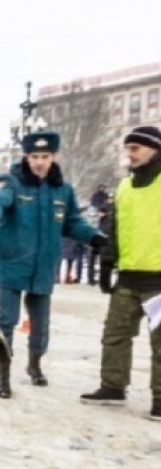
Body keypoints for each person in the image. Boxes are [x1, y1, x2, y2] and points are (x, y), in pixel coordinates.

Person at [0, 130, 103, 398]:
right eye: (34, 156)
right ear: (26, 156)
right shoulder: (11, 182)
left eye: (45, 156)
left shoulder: (63, 189)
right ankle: (3, 374)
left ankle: (35, 365)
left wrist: (93, 236)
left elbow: (72, 221)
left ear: (53, 157)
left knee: (41, 323)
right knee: (7, 320)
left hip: (44, 266)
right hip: (13, 263)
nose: (39, 162)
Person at [81, 126, 161, 420]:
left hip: (159, 280)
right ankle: (113, 386)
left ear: (154, 148)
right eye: (128, 148)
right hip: (128, 276)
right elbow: (115, 229)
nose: (130, 154)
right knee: (114, 335)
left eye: (136, 148)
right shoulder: (125, 187)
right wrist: (106, 263)